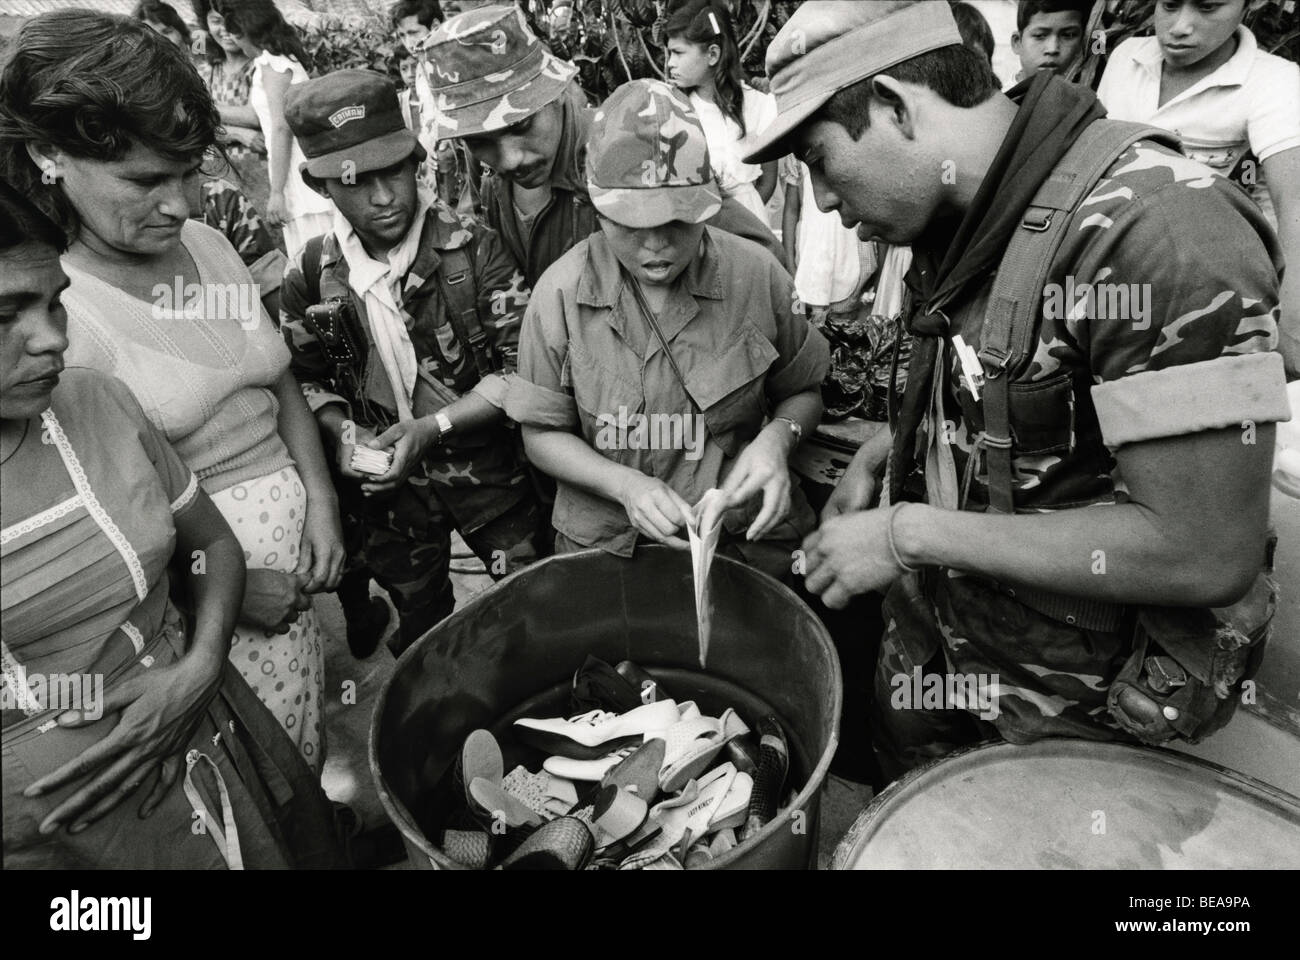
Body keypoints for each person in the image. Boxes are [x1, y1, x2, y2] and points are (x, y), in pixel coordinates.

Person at [743, 1, 1289, 776]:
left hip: (1066, 725)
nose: (823, 201)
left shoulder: (1161, 232)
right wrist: (886, 452)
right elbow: (998, 390)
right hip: (941, 663)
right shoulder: (964, 210)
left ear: (897, 106)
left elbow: (1202, 550)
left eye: (821, 160)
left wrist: (909, 534)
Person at [0, 10, 345, 772]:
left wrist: (319, 502)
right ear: (48, 156)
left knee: (301, 767)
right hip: (206, 622)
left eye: (190, 171)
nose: (180, 203)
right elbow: (86, 543)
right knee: (242, 791)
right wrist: (216, 593)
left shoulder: (211, 250)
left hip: (290, 587)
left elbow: (275, 377)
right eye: (146, 180)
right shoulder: (54, 320)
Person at [0, 180, 344, 869]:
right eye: (6, 314)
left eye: (55, 303)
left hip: (205, 736)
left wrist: (198, 668)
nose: (51, 340)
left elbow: (212, 543)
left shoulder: (95, 403)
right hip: (53, 829)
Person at [506, 78, 828, 582]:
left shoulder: (756, 274)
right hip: (608, 548)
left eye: (678, 219)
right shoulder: (560, 294)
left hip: (741, 541)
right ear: (597, 206)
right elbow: (542, 433)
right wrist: (624, 485)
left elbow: (803, 391)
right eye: (631, 224)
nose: (656, 245)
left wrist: (778, 439)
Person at [280, 70, 547, 657]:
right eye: (357, 182)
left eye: (394, 172)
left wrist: (432, 429)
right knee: (424, 630)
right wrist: (344, 434)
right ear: (320, 186)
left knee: (538, 604)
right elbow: (304, 379)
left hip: (491, 482)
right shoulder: (311, 274)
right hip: (390, 502)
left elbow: (522, 372)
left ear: (417, 161)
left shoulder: (475, 250)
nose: (382, 198)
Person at [419, 3, 789, 288]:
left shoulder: (632, 144)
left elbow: (762, 263)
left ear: (555, 93)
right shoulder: (486, 175)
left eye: (523, 124)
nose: (510, 158)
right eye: (480, 141)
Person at [1097, 0, 1300, 375]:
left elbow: (1295, 207)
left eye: (1208, 8)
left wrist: (1291, 333)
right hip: (1118, 294)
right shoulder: (1125, 59)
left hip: (1217, 304)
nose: (1180, 26)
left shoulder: (1274, 82)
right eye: (1169, 5)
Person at [219, 0, 334, 256]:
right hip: (291, 168)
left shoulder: (274, 64)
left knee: (316, 252)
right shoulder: (274, 62)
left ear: (247, 34)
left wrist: (277, 192)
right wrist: (207, 107)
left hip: (296, 169)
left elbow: (282, 128)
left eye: (236, 36)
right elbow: (255, 116)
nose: (236, 43)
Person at [665, 0, 778, 225]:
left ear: (713, 54)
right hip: (699, 225)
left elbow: (768, 179)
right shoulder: (674, 108)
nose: (670, 63)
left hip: (750, 223)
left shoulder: (757, 105)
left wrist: (743, 221)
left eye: (678, 53)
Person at [1010, 0, 1089, 81]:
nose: (1053, 49)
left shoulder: (1089, 92)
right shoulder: (1002, 93)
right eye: (1039, 35)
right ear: (1017, 43)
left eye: (1068, 35)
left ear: (1081, 44)